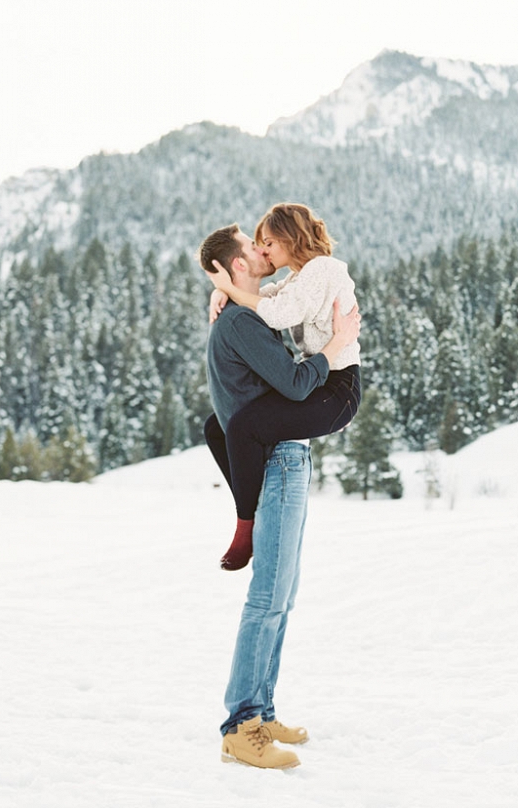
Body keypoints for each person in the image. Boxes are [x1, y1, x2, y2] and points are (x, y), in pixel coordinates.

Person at [198, 223, 360, 769]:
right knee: (268, 597)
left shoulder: (243, 311)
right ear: (236, 264)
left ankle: (260, 710)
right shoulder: (241, 320)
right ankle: (241, 724)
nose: (262, 251)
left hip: (283, 455)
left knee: (281, 597)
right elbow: (293, 384)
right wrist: (335, 349)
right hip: (278, 460)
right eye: (253, 247)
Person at [204, 203, 361, 571]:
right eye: (258, 244)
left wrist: (229, 287)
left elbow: (273, 313)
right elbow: (269, 298)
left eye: (269, 242)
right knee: (218, 428)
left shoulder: (322, 270)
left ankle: (246, 525)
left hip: (336, 386)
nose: (264, 250)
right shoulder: (300, 278)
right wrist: (223, 293)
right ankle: (254, 508)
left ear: (291, 239)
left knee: (244, 426)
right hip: (323, 380)